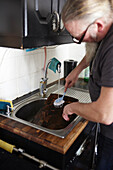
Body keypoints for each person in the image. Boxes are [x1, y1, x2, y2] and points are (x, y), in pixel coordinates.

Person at [61, 0, 113, 169]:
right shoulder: (105, 30)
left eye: (79, 38)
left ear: (98, 25)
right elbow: (95, 47)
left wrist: (72, 107)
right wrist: (77, 69)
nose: (81, 41)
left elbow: (104, 114)